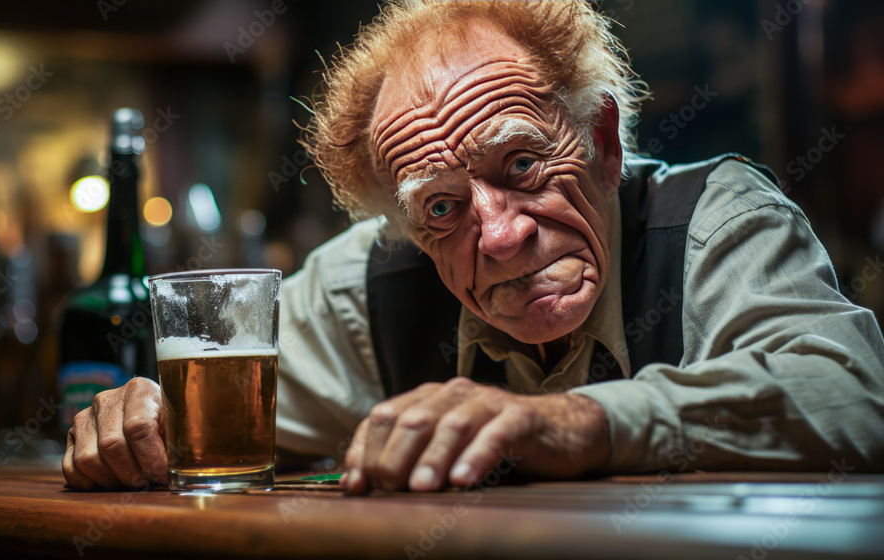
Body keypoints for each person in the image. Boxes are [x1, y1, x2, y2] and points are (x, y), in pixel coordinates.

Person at [62, 0, 884, 492]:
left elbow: (852, 395)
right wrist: (137, 421)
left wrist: (574, 424)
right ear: (409, 228)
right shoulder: (373, 283)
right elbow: (217, 423)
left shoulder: (713, 217)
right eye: (444, 208)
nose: (499, 234)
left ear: (601, 140)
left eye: (523, 164)